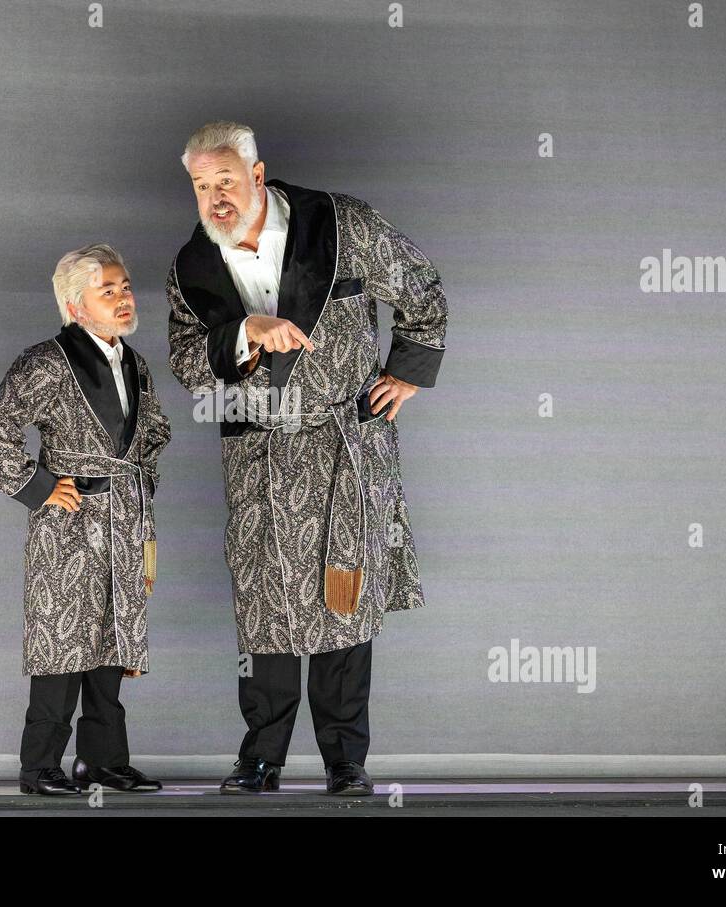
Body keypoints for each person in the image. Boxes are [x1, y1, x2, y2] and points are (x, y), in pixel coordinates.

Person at [165, 121, 448, 795]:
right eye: (202, 186)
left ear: (257, 176)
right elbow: (184, 361)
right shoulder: (193, 265)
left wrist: (407, 367)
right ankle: (260, 757)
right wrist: (242, 332)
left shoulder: (339, 224)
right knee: (264, 607)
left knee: (342, 598)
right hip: (258, 458)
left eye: (226, 181)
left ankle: (345, 759)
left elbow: (419, 285)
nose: (215, 198)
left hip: (341, 451)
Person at [0, 242, 171, 795]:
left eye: (126, 286)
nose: (124, 298)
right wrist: (40, 487)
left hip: (125, 519)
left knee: (111, 642)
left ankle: (102, 761)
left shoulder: (135, 363)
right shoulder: (46, 362)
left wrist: (139, 485)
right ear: (75, 303)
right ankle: (40, 767)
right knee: (62, 642)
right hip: (69, 521)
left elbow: (155, 430)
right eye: (107, 290)